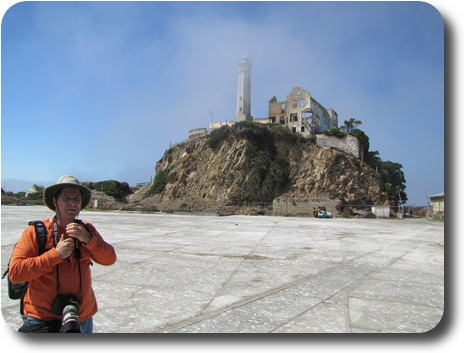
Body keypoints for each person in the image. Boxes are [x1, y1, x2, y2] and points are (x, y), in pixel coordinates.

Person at [8, 175, 117, 333]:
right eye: (66, 198)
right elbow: (16, 273)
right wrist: (55, 255)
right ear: (55, 201)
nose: (72, 203)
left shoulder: (87, 230)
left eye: (76, 199)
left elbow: (109, 259)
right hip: (43, 318)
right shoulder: (35, 232)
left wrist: (88, 239)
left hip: (81, 316)